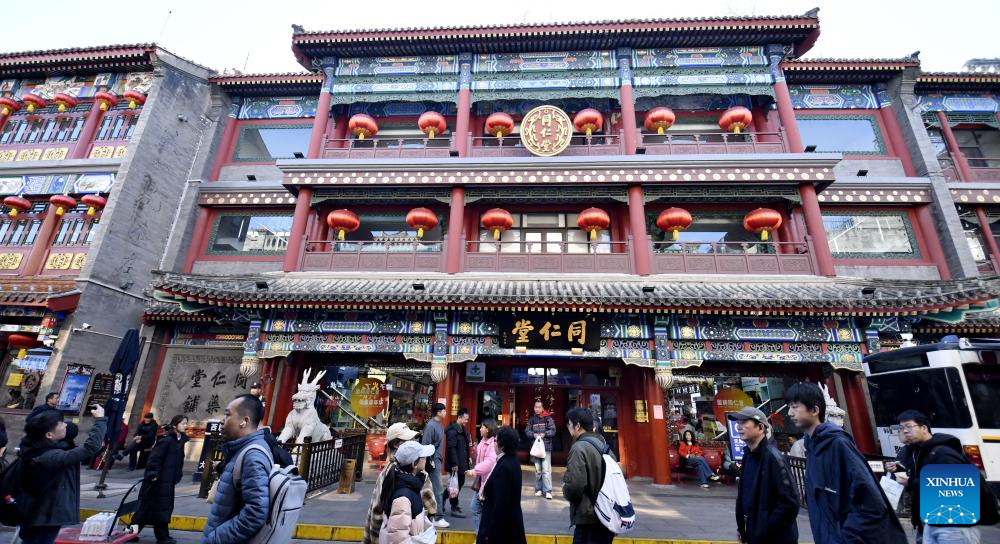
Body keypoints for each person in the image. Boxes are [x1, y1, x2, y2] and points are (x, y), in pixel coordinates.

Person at [786, 383, 907, 544]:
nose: (789, 413)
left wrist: (847, 538)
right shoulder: (812, 447)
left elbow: (870, 501)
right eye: (789, 407)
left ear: (814, 410)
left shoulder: (837, 444)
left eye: (795, 407)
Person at [886, 410, 981, 544]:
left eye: (909, 426)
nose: (905, 431)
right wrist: (898, 469)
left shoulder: (944, 452)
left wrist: (911, 482)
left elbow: (955, 486)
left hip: (953, 523)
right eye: (901, 428)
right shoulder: (916, 452)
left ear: (924, 428)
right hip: (928, 521)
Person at [18, 404, 107, 544]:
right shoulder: (49, 457)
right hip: (44, 517)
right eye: (60, 424)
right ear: (49, 435)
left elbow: (75, 441)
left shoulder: (39, 446)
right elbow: (90, 448)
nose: (65, 425)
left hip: (43, 513)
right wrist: (100, 420)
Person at [202, 394, 272, 544]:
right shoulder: (242, 450)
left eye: (227, 415)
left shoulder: (252, 456)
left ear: (244, 421)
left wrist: (214, 539)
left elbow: (255, 513)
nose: (222, 421)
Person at [730, 407, 799, 544]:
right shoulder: (748, 455)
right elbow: (745, 495)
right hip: (754, 534)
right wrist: (742, 528)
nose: (738, 426)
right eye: (738, 422)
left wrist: (764, 529)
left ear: (760, 427)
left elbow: (790, 503)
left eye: (744, 422)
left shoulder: (773, 458)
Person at [364, 422, 440, 544]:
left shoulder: (388, 471)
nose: (414, 443)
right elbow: (431, 508)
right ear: (396, 444)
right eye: (409, 440)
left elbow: (375, 512)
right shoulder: (417, 475)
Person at [133, 415, 189, 544]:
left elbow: (179, 462)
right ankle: (162, 537)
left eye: (186, 423)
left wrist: (177, 476)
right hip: (157, 481)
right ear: (175, 425)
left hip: (168, 481)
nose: (185, 426)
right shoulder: (166, 440)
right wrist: (153, 475)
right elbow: (154, 459)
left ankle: (131, 533)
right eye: (183, 423)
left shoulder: (179, 442)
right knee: (152, 509)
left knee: (152, 509)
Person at [563, 407, 615, 544]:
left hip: (588, 517)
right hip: (607, 515)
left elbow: (575, 486)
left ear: (577, 425)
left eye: (569, 424)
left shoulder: (579, 448)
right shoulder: (604, 446)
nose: (568, 428)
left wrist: (565, 489)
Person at [378, 440, 436, 543]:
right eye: (423, 457)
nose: (426, 458)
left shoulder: (411, 485)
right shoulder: (403, 497)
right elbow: (398, 539)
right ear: (414, 464)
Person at [477, 426, 527, 544]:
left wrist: (489, 534)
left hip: (501, 529)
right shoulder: (511, 462)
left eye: (495, 440)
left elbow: (500, 503)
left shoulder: (504, 466)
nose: (493, 443)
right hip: (509, 525)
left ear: (502, 445)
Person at [420, 403, 449, 529]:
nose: (445, 412)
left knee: (433, 489)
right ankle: (438, 517)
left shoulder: (439, 425)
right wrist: (426, 462)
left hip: (436, 460)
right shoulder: (431, 426)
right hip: (432, 462)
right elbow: (425, 445)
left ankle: (430, 515)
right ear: (438, 412)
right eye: (444, 410)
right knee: (438, 489)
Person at [468, 418, 498, 536]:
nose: (480, 429)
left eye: (482, 427)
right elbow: (479, 457)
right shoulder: (483, 441)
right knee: (475, 508)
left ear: (488, 429)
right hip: (482, 481)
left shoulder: (493, 444)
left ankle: (483, 536)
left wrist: (474, 471)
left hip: (488, 483)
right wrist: (475, 449)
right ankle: (481, 535)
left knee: (478, 509)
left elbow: (490, 463)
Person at [525, 400, 556, 499]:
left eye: (539, 407)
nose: (537, 409)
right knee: (538, 470)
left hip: (546, 447)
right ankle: (539, 489)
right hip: (536, 448)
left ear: (542, 408)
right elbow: (527, 431)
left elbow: (553, 430)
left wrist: (544, 434)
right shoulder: (532, 419)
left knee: (546, 470)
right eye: (535, 407)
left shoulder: (548, 418)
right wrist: (533, 435)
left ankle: (547, 491)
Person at [444, 408, 471, 518]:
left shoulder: (462, 429)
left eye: (467, 419)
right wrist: (455, 464)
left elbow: (464, 447)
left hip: (462, 462)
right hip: (456, 463)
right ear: (459, 417)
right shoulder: (452, 431)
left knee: (456, 484)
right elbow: (451, 448)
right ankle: (454, 506)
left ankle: (442, 499)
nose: (466, 421)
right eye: (465, 419)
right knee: (456, 484)